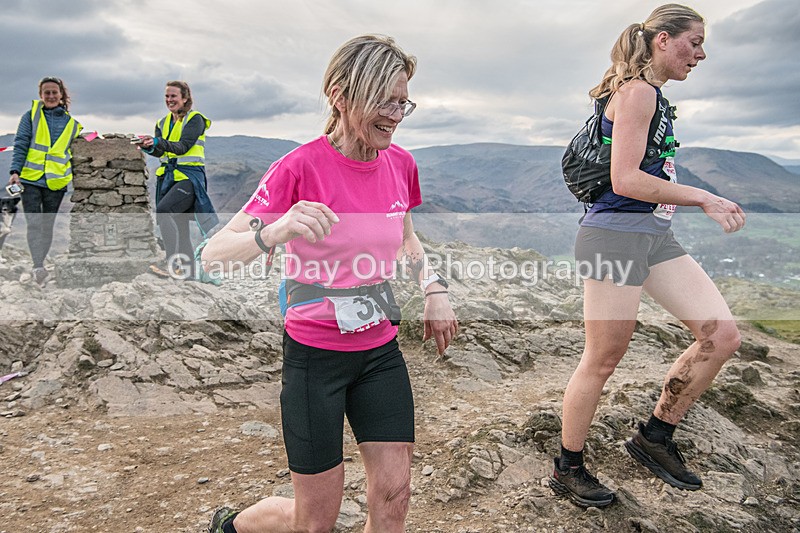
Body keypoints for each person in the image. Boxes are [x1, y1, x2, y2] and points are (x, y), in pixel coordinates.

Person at [201, 34, 458, 533]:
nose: (396, 114)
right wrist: (275, 230)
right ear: (340, 95)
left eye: (403, 102)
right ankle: (232, 527)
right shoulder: (299, 167)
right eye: (384, 100)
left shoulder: (401, 164)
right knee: (315, 520)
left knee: (394, 494)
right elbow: (212, 254)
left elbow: (407, 237)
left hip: (379, 351)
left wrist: (433, 287)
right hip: (314, 357)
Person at [550, 4, 746, 508]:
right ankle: (568, 467)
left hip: (653, 236)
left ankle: (654, 438)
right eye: (694, 42)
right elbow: (626, 179)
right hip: (614, 237)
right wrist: (705, 197)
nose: (700, 54)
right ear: (662, 39)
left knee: (720, 335)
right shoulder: (638, 92)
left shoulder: (654, 96)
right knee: (603, 357)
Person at [7, 77, 83, 286]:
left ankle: (39, 265)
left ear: (61, 95)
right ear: (41, 95)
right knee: (34, 223)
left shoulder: (71, 124)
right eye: (46, 93)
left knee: (47, 224)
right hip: (30, 179)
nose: (50, 96)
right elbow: (21, 143)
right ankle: (38, 265)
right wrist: (15, 171)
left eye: (54, 93)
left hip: (56, 183)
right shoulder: (30, 117)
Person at [138, 80, 217, 279]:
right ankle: (189, 276)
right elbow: (160, 151)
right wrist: (148, 146)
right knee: (180, 226)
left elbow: (182, 147)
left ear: (185, 98)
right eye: (167, 96)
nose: (169, 100)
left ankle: (171, 264)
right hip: (170, 179)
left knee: (164, 211)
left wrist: (157, 141)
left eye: (173, 96)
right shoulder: (162, 123)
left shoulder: (195, 119)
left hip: (189, 179)